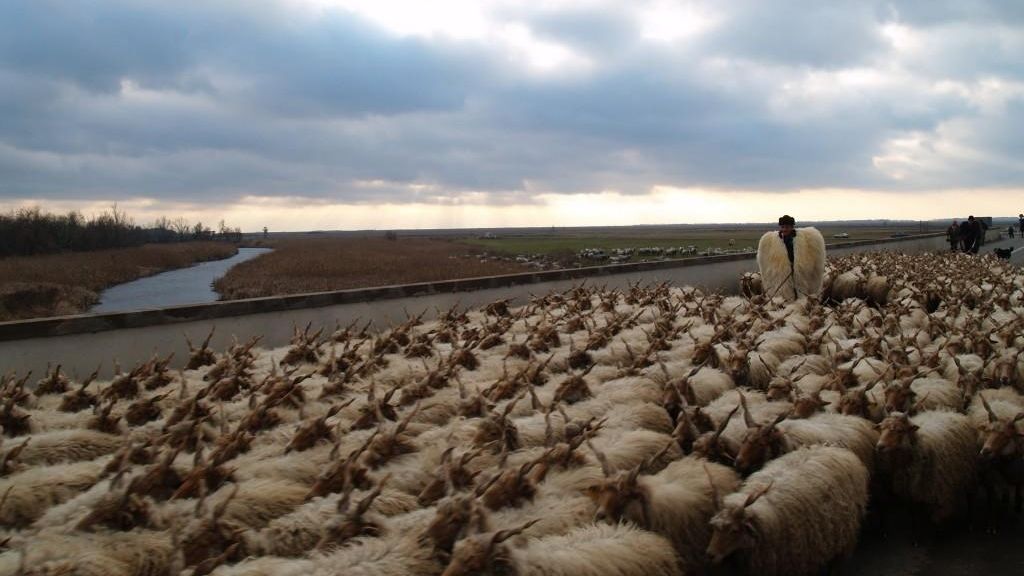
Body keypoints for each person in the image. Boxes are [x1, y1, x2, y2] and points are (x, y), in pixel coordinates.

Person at [756, 215, 825, 301]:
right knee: (785, 295)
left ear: (792, 227)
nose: (784, 229)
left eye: (787, 227)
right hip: (782, 275)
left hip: (800, 273)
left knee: (802, 295)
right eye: (782, 227)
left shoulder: (803, 239)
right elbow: (766, 263)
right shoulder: (772, 241)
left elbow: (813, 258)